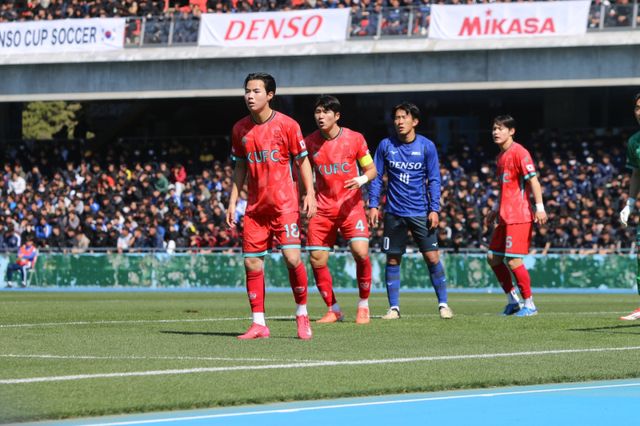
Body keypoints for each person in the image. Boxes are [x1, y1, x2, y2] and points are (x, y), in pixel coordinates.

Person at [226, 72, 317, 340]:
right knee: (252, 263)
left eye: (256, 91)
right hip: (256, 209)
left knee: (292, 258)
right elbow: (239, 167)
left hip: (284, 205)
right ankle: (259, 324)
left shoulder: (288, 125)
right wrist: (233, 201)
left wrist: (310, 193)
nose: (250, 96)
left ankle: (302, 314)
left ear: (270, 95)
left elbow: (302, 161)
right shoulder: (240, 129)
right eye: (247, 91)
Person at [368, 102, 453, 320]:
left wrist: (434, 209)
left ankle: (443, 305)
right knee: (393, 259)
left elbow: (434, 179)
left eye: (404, 117)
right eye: (396, 118)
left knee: (432, 257)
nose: (399, 122)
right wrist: (373, 205)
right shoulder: (386, 145)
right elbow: (376, 177)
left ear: (414, 121)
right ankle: (394, 308)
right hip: (394, 212)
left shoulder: (427, 146)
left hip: (420, 212)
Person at [304, 95, 378, 324]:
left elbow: (372, 170)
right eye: (317, 112)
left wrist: (361, 179)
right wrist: (307, 195)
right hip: (322, 209)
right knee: (317, 258)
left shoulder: (355, 139)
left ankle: (363, 305)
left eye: (326, 112)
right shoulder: (309, 142)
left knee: (360, 252)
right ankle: (333, 309)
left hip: (350, 207)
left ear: (336, 116)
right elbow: (302, 173)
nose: (320, 116)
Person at [485, 115, 547, 317]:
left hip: (519, 215)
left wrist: (540, 207)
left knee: (513, 261)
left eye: (500, 128)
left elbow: (534, 181)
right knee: (493, 258)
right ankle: (513, 301)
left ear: (511, 131)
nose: (496, 132)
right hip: (504, 215)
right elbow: (505, 188)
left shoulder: (520, 152)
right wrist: (495, 208)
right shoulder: (500, 157)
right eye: (494, 128)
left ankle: (530, 304)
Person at [618, 92, 640, 320]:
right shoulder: (634, 141)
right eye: (637, 107)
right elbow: (636, 173)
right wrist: (630, 204)